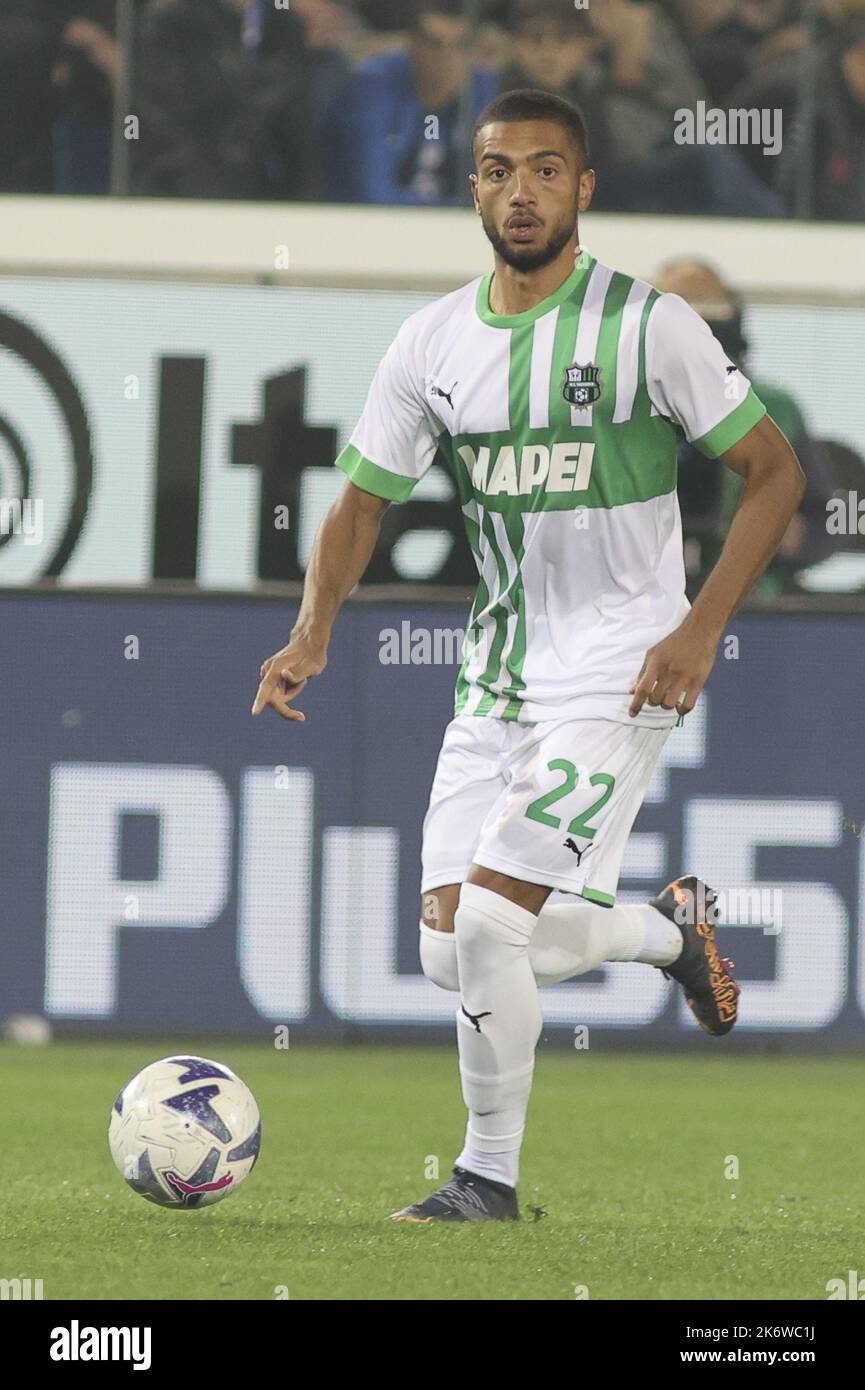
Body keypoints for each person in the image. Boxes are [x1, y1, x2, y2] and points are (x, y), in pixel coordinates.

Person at [252, 89, 805, 1223]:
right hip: (495, 675)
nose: (521, 191)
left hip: (624, 664)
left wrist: (699, 625)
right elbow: (360, 502)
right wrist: (313, 629)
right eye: (498, 169)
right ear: (473, 188)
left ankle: (485, 1180)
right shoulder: (433, 340)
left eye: (547, 170)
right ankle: (667, 931)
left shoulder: (649, 325)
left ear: (584, 189)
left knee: (499, 924)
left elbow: (777, 472)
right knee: (454, 952)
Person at [654, 259, 838, 592]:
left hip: (751, 603)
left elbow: (829, 520)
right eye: (678, 315)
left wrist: (787, 533)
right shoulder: (615, 409)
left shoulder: (774, 408)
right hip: (638, 600)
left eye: (706, 314)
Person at [324, 0, 498, 205]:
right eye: (435, 44)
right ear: (412, 44)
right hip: (366, 223)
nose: (447, 57)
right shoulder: (373, 85)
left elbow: (488, 188)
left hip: (448, 227)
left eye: (460, 45)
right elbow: (372, 191)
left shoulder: (481, 87)